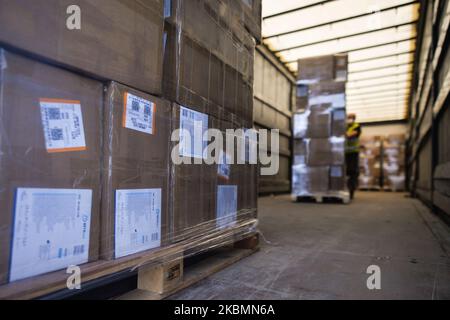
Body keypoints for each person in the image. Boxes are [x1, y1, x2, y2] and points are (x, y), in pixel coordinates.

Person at [345, 113, 362, 200]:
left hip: (353, 153)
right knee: (344, 172)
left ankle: (351, 192)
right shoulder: (345, 126)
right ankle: (345, 190)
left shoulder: (357, 126)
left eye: (350, 118)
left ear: (354, 119)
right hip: (345, 153)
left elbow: (350, 135)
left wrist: (345, 134)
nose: (349, 119)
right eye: (348, 118)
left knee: (352, 172)